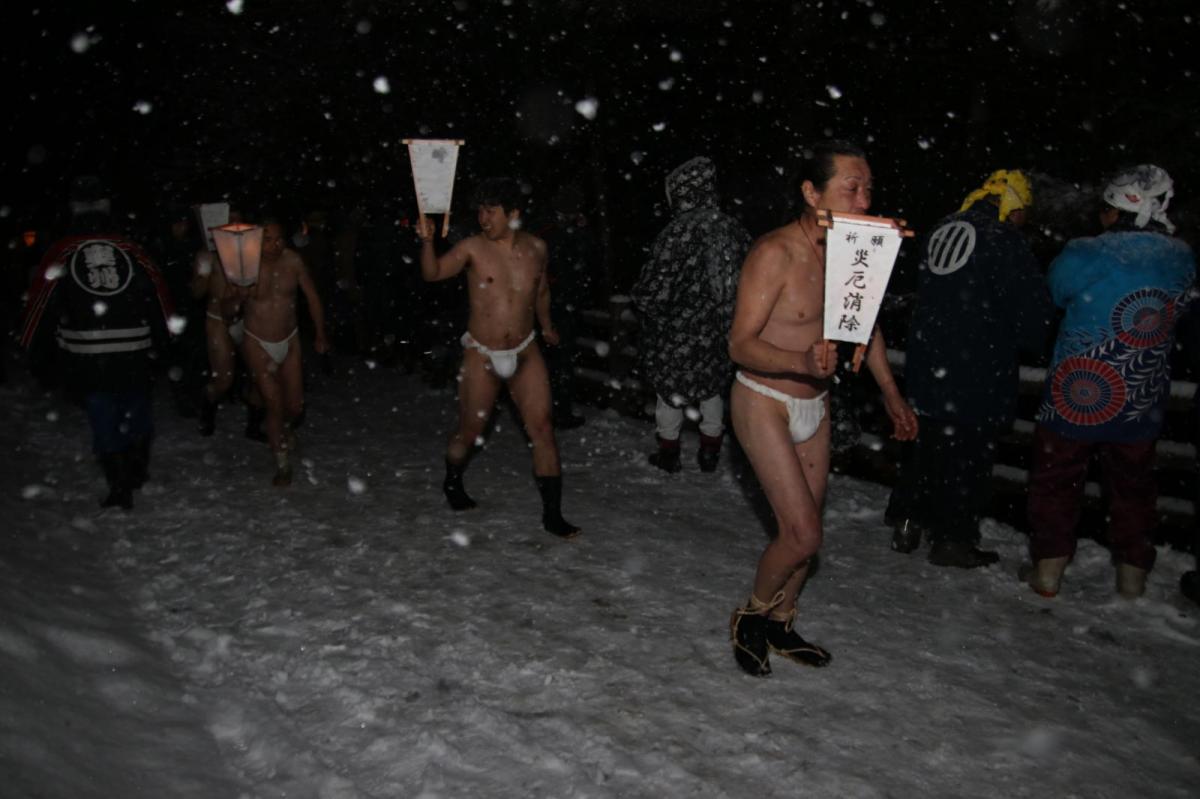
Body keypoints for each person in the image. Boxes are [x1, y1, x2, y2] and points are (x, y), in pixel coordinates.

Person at [727, 141, 918, 677]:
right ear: (811, 193)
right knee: (802, 534)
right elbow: (739, 344)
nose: (864, 198)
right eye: (851, 188)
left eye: (869, 188)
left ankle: (782, 622)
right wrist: (799, 360)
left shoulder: (856, 251)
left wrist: (891, 392)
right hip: (764, 397)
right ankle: (750, 617)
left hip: (817, 403)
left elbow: (867, 326)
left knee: (808, 536)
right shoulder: (775, 253)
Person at [1026, 165, 1196, 599]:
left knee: (1057, 478)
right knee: (1134, 485)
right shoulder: (1181, 257)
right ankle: (1132, 574)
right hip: (1141, 395)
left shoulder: (1085, 253)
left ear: (1116, 210)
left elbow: (1056, 294)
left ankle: (1049, 570)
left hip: (1076, 390)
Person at [885, 170, 1054, 567]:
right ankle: (953, 538)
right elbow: (1032, 314)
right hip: (977, 367)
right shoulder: (1003, 240)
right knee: (968, 453)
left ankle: (908, 521)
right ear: (1013, 206)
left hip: (928, 360)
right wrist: (1035, 338)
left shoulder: (943, 227)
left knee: (925, 441)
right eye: (1023, 212)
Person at [415, 177, 580, 539]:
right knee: (470, 431)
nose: (483, 219)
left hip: (525, 350)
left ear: (514, 214)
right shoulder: (472, 248)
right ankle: (452, 479)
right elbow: (433, 273)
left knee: (543, 430)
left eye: (491, 212)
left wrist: (548, 325)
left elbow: (541, 293)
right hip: (482, 353)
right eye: (480, 211)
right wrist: (427, 242)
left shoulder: (537, 248)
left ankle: (553, 515)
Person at [18, 176, 174, 509]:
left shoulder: (62, 252)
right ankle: (134, 469)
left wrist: (34, 350)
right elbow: (159, 298)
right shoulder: (132, 250)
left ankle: (120, 482)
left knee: (103, 412)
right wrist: (166, 340)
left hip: (88, 354)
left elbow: (39, 306)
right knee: (135, 409)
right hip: (134, 350)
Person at [632, 156, 751, 473]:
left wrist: (645, 302)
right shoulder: (733, 230)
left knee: (670, 392)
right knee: (711, 389)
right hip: (721, 332)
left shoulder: (676, 232)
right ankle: (710, 450)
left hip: (677, 333)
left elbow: (654, 286)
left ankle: (669, 452)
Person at [239, 218, 329, 486]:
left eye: (279, 239)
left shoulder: (293, 262)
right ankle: (282, 463)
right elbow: (228, 307)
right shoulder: (245, 265)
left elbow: (313, 297)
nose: (274, 245)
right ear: (257, 240)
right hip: (257, 340)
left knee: (294, 405)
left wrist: (321, 333)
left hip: (289, 339)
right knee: (274, 403)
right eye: (268, 239)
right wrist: (239, 294)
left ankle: (283, 427)